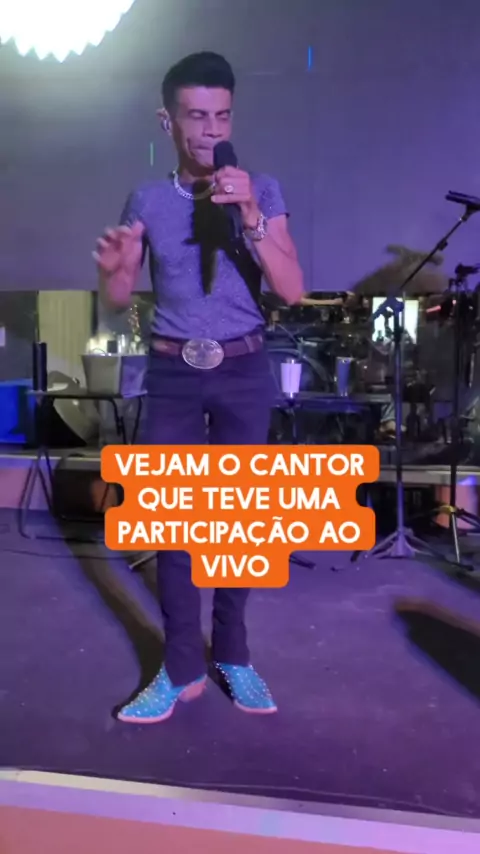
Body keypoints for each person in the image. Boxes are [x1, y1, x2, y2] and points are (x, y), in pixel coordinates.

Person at [94, 51, 304, 724]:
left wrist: (251, 217)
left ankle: (234, 655)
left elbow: (292, 289)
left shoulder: (261, 188)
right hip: (173, 371)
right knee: (176, 523)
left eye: (222, 116)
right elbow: (118, 298)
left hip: (243, 368)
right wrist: (115, 274)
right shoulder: (147, 200)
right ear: (168, 121)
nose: (211, 130)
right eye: (196, 116)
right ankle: (181, 664)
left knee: (238, 523)